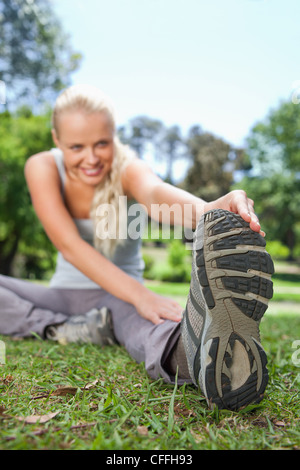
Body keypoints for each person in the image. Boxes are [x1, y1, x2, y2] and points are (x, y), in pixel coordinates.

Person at [0, 84, 274, 411]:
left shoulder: (128, 168)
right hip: (64, 295)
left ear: (113, 135)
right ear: (56, 139)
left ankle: (199, 359)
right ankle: (62, 329)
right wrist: (141, 294)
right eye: (76, 147)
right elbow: (69, 245)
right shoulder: (42, 167)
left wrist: (209, 212)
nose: (91, 158)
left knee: (144, 328)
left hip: (119, 298)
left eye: (101, 143)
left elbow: (157, 197)